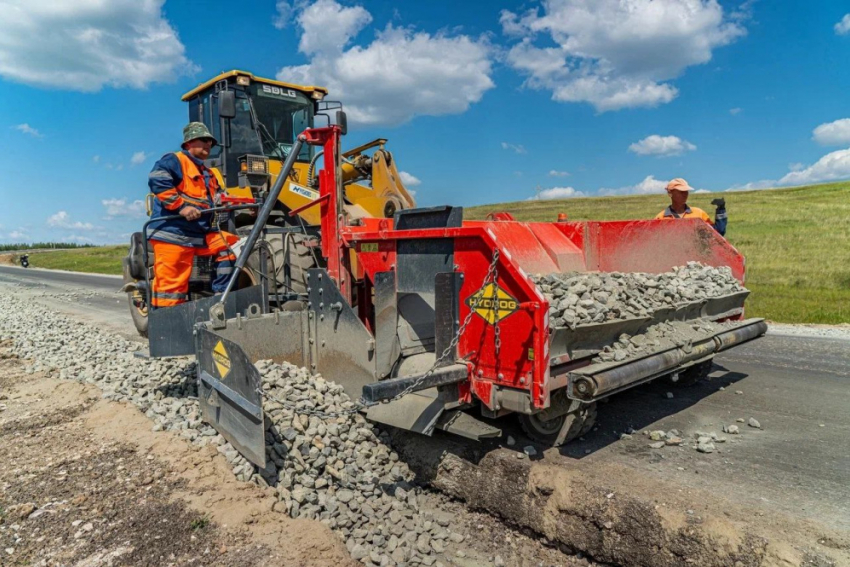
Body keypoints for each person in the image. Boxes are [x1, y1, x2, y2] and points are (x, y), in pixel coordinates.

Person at [146, 122, 238, 308]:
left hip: (198, 235)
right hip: (173, 234)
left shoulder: (209, 174)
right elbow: (157, 178)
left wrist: (239, 204)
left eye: (210, 142)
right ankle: (166, 328)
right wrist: (181, 207)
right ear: (188, 143)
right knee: (171, 290)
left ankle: (220, 295)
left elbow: (220, 198)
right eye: (203, 140)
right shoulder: (175, 160)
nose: (208, 144)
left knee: (232, 244)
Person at [655, 178, 727, 236]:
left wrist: (721, 209)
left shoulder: (699, 213)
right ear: (670, 193)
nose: (685, 194)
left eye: (686, 191)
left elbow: (717, 234)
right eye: (681, 191)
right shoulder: (661, 218)